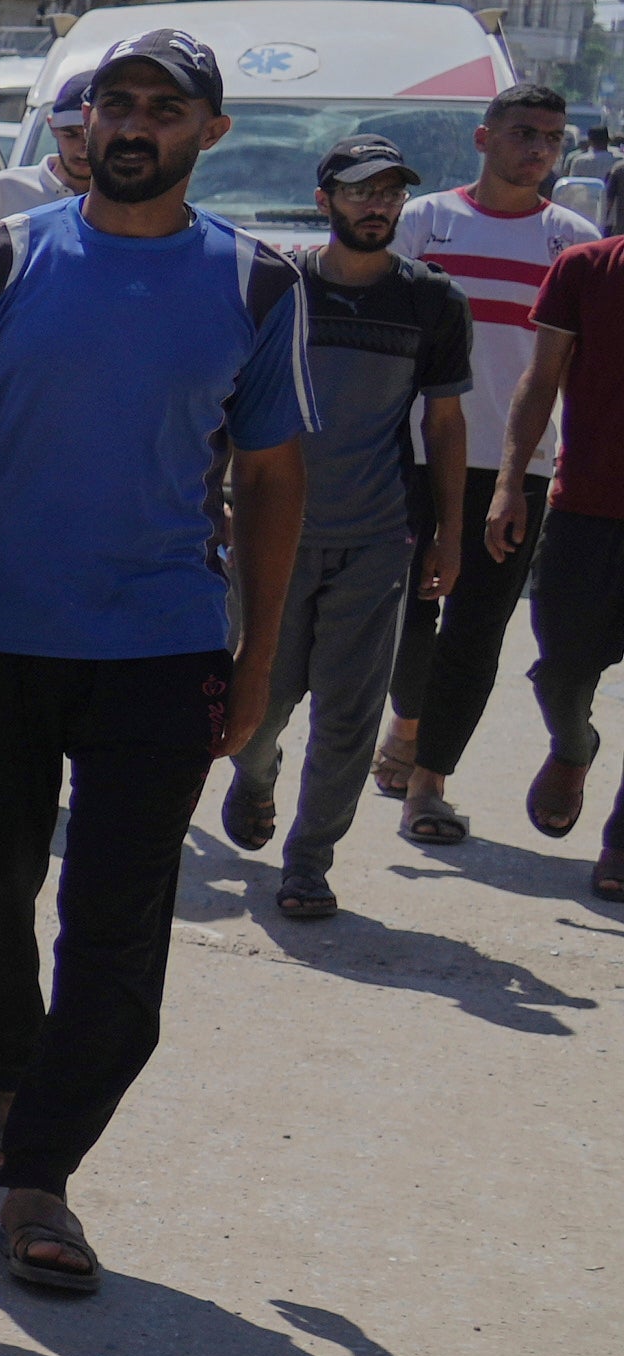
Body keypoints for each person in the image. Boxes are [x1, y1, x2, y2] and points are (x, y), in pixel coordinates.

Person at [0, 26, 309, 1304]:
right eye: (117, 100)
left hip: (162, 652)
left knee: (117, 938)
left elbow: (275, 482)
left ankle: (40, 1175)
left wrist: (257, 662)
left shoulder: (260, 285)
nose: (135, 124)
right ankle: (6, 1064)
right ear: (82, 121)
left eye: (166, 107)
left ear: (208, 135)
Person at [220, 137, 472, 924]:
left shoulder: (431, 300)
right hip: (270, 534)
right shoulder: (278, 285)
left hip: (375, 538)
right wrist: (212, 502)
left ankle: (309, 862)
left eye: (392, 193)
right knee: (256, 698)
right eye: (362, 192)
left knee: (350, 713)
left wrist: (450, 535)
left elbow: (446, 423)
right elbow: (223, 400)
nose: (379, 206)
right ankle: (255, 777)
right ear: (325, 198)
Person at [382, 82, 598, 846]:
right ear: (484, 138)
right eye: (522, 132)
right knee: (408, 619)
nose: (537, 148)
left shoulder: (571, 239)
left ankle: (429, 785)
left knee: (476, 631)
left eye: (550, 136)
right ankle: (405, 725)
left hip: (515, 472)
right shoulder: (425, 223)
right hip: (408, 456)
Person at [485, 217, 624, 904]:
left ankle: (622, 840)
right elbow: (540, 382)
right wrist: (510, 483)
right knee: (560, 669)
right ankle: (573, 746)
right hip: (587, 511)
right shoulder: (585, 269)